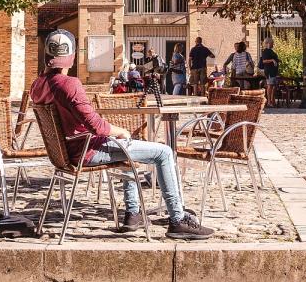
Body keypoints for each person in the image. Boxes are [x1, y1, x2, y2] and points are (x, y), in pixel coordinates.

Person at [30, 29, 213, 239]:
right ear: (70, 56)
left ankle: (133, 213)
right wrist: (121, 131)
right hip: (88, 150)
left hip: (66, 153)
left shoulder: (38, 85)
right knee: (164, 153)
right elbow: (96, 126)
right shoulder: (69, 84)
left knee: (125, 147)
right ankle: (177, 219)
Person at [258, 40, 279, 106]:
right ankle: (269, 101)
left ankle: (272, 101)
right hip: (269, 71)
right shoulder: (265, 51)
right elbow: (264, 61)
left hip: (274, 71)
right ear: (268, 43)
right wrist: (272, 60)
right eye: (272, 43)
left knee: (273, 86)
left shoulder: (271, 51)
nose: (273, 44)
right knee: (270, 85)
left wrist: (277, 60)